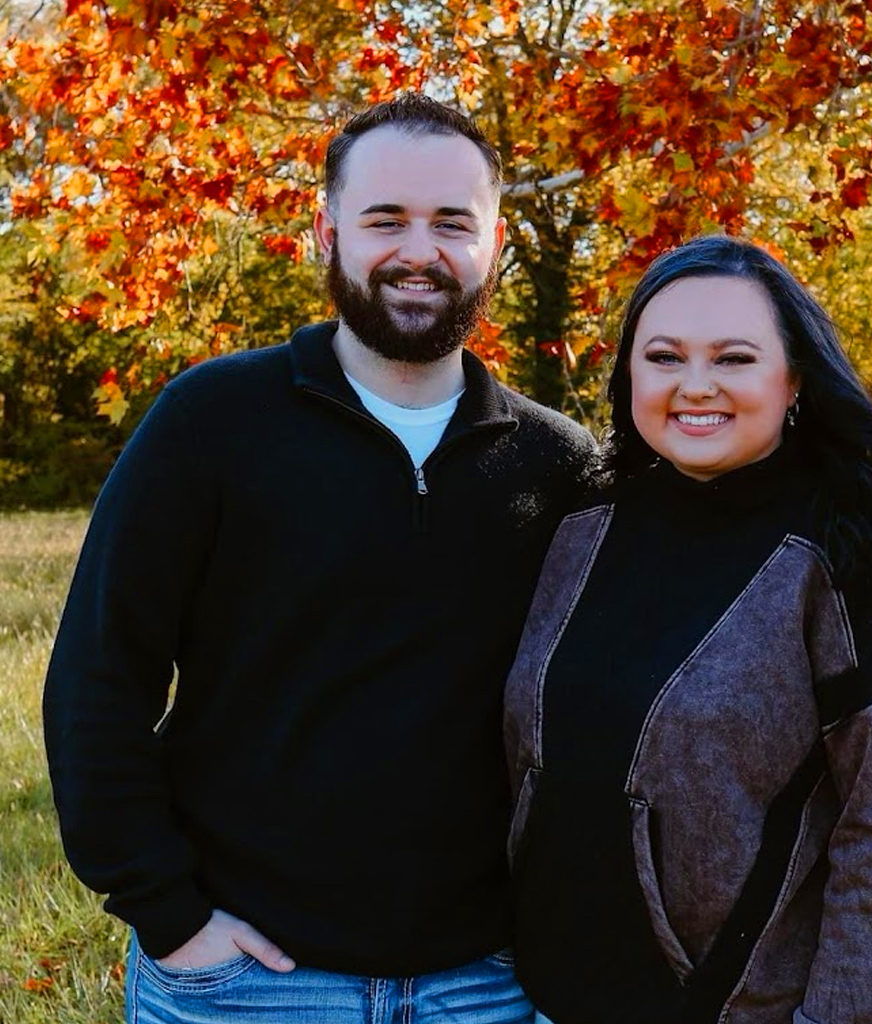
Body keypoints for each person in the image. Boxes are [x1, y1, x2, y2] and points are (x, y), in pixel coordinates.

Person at [43, 93, 594, 1023]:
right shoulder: (211, 422)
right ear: (327, 230)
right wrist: (167, 913)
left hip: (488, 985)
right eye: (386, 220)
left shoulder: (562, 464)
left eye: (452, 223)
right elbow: (99, 677)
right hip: (244, 983)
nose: (418, 252)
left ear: (493, 241)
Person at [504, 235, 872, 1024]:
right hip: (531, 999)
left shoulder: (859, 562)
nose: (695, 385)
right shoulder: (581, 529)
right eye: (665, 356)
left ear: (795, 380)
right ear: (630, 376)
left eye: (735, 358)